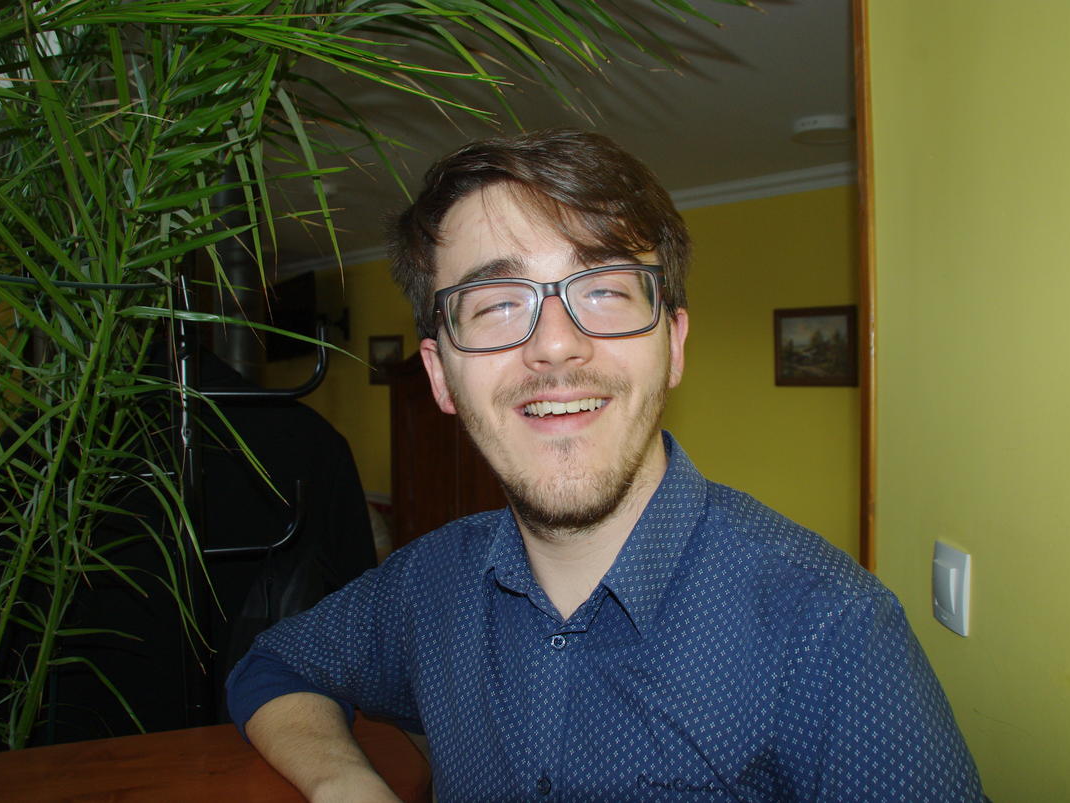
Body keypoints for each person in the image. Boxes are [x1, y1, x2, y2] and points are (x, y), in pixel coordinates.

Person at [227, 129, 983, 801]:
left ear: (673, 345)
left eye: (606, 290)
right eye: (496, 303)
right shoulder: (427, 584)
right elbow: (276, 665)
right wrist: (345, 782)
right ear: (439, 376)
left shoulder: (831, 630)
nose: (556, 343)